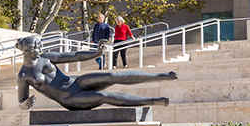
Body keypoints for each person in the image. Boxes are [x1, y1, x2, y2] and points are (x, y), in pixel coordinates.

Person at [14, 36, 174, 110]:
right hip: (69, 98)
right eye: (36, 48)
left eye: (40, 47)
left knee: (111, 76)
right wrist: (24, 105)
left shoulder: (45, 57)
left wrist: (96, 53)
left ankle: (159, 76)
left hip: (75, 83)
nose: (40, 50)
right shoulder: (24, 75)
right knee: (104, 97)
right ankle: (153, 101)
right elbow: (22, 100)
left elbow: (73, 56)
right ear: (26, 51)